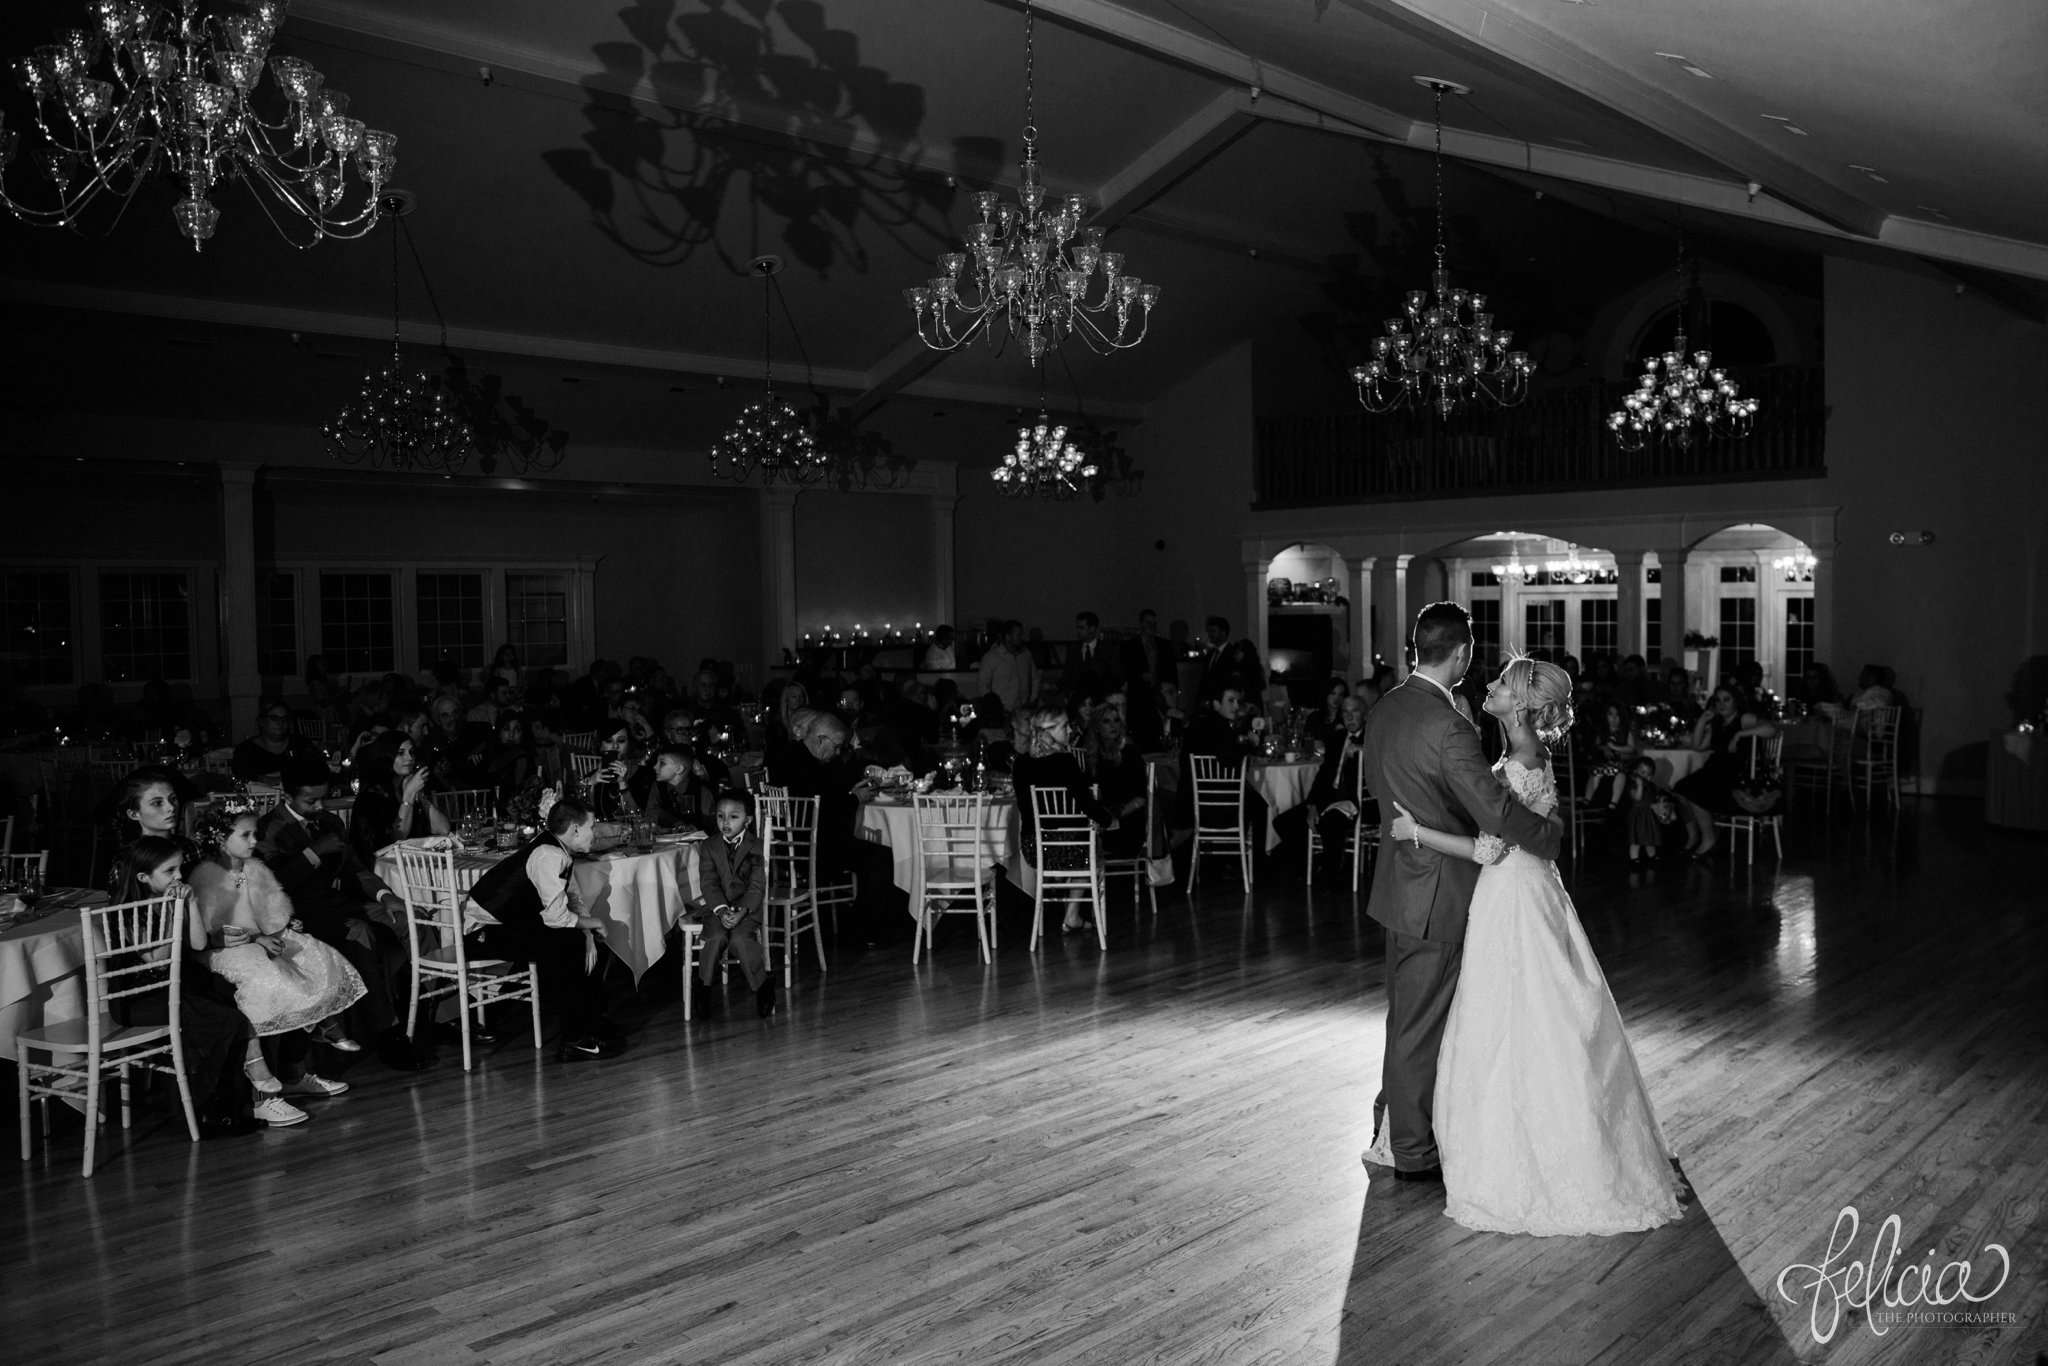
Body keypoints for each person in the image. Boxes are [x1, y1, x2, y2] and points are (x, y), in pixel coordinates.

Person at [1384, 656, 1687, 1234]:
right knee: (1535, 1010)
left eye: (1500, 684)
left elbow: (1491, 845)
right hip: (1528, 890)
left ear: (1521, 704)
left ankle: (1528, 1151)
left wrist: (1416, 831)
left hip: (1512, 894)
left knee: (1511, 1013)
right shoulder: (1525, 758)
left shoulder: (1515, 765)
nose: (1490, 687)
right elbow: (1528, 835)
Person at [1357, 602, 1563, 1184]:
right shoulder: (1448, 725)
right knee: (1421, 1029)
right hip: (1440, 892)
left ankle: (1390, 1128)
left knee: (1405, 1019)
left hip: (1397, 885)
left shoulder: (1386, 709)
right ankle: (1415, 1153)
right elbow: (1494, 810)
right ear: (1464, 654)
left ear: (1416, 647)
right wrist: (1546, 835)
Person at [108, 836, 287, 1134]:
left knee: (233, 995)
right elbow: (159, 960)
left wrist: (188, 904)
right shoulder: (131, 911)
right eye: (169, 871)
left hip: (172, 987)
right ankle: (211, 1108)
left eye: (178, 868)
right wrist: (169, 911)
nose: (179, 876)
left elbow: (198, 942)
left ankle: (246, 1096)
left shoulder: (175, 897)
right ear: (143, 877)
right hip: (138, 998)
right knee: (221, 1018)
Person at [255, 761, 427, 1071]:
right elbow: (273, 887)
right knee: (359, 932)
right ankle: (387, 1034)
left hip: (337, 903)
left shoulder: (330, 822)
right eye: (311, 800)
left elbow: (354, 868)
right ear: (287, 795)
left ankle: (428, 1014)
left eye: (323, 797)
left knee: (414, 918)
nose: (320, 806)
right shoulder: (268, 830)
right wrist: (312, 853)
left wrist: (386, 896)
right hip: (299, 914)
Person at [190, 804, 364, 1107]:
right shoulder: (207, 875)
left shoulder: (255, 868)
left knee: (313, 952)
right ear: (221, 839)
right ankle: (263, 1076)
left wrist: (283, 924)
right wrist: (256, 938)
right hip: (224, 949)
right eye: (245, 835)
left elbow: (269, 907)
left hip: (258, 939)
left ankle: (302, 1057)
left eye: (254, 834)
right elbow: (211, 932)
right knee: (272, 974)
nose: (254, 841)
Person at [462, 795, 627, 1061]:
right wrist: (589, 924)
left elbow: (572, 898)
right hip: (483, 932)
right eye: (591, 826)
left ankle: (592, 1020)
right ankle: (574, 1040)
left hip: (516, 924)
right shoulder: (547, 855)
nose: (594, 833)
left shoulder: (560, 850)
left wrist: (588, 929)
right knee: (567, 945)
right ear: (574, 829)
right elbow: (556, 918)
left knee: (592, 939)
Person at [767, 713, 903, 947]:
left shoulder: (794, 758)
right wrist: (854, 800)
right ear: (821, 740)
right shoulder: (800, 765)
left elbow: (823, 798)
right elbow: (820, 811)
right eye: (837, 746)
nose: (838, 752)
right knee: (881, 856)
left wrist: (851, 792)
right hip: (811, 850)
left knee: (871, 850)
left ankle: (860, 922)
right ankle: (868, 929)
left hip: (792, 846)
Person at [1011, 705, 1116, 935]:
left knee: (1082, 841)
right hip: (1069, 848)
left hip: (1034, 847)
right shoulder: (1065, 761)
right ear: (1048, 732)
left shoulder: (1020, 764)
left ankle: (1066, 900)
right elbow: (1087, 803)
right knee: (1091, 848)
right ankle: (1072, 915)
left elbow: (1025, 809)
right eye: (1064, 726)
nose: (1070, 730)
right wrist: (1108, 820)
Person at [687, 791, 775, 1019]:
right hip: (718, 910)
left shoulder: (756, 846)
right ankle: (702, 988)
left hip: (747, 910)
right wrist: (722, 909)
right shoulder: (708, 846)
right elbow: (708, 883)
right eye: (720, 816)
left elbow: (756, 886)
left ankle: (762, 987)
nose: (725, 823)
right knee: (715, 939)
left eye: (733, 817)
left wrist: (742, 910)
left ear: (747, 820)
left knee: (741, 941)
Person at [1673, 684, 1776, 860]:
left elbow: (1770, 729)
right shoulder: (1718, 723)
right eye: (1718, 700)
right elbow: (1697, 746)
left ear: (1736, 701)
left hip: (1736, 775)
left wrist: (1741, 734)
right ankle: (1695, 836)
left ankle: (1709, 838)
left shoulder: (1744, 719)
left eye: (1726, 699)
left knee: (1692, 790)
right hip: (1715, 770)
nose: (1721, 704)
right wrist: (1702, 720)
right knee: (1680, 789)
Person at [348, 731, 451, 865]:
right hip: (380, 869)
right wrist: (409, 795)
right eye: (401, 753)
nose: (409, 758)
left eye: (411, 752)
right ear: (385, 756)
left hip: (410, 862)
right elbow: (396, 839)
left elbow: (443, 828)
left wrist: (419, 794)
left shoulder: (405, 786)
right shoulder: (372, 793)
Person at [1308, 694, 1374, 883]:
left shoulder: (1372, 736)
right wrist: (1312, 805)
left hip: (1358, 801)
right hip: (1331, 797)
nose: (1349, 717)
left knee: (1330, 822)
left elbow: (1384, 753)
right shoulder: (1337, 738)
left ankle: (1331, 876)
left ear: (1364, 715)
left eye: (1355, 711)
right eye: (1345, 712)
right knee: (1285, 821)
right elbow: (1323, 775)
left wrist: (1363, 749)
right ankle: (1306, 869)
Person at [1078, 703, 1148, 859]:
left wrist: (1111, 817)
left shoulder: (1130, 754)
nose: (1113, 725)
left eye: (1116, 720)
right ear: (1096, 727)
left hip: (1126, 820)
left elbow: (1140, 798)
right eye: (1106, 721)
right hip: (1101, 818)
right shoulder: (1092, 755)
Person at [231, 700, 326, 785]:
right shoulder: (246, 749)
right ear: (261, 721)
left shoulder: (300, 743)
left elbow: (318, 768)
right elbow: (242, 777)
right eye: (274, 718)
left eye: (285, 718)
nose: (280, 722)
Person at [625, 744, 715, 833]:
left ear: (679, 769)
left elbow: (712, 823)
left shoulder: (701, 789)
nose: (655, 767)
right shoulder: (659, 786)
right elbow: (651, 812)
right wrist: (673, 822)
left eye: (662, 763)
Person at [976, 620, 1039, 716]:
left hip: (1023, 710)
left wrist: (1032, 699)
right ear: (1007, 637)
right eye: (1018, 635)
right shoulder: (992, 657)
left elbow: (1034, 678)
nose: (1022, 638)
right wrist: (995, 707)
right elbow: (983, 685)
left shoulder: (1026, 655)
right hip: (1003, 710)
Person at [1060, 611, 1123, 702]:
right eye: (1077, 628)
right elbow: (1067, 677)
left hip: (1103, 700)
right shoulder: (1073, 652)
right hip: (1080, 702)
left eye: (1081, 628)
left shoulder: (1109, 650)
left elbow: (1117, 677)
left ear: (1092, 629)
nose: (1078, 631)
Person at [1196, 616, 1265, 698]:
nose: (1210, 635)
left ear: (1223, 632)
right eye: (1209, 631)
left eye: (1214, 631)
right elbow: (1205, 680)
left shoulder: (1233, 654)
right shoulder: (1210, 654)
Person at [1119, 608, 1169, 692]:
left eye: (1154, 623)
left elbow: (1170, 670)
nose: (1152, 626)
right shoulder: (1129, 646)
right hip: (1138, 691)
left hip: (1160, 692)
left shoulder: (1164, 645)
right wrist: (1141, 676)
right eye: (1148, 623)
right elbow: (1125, 670)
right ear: (1141, 624)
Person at [1308, 678, 1351, 749]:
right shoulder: (1314, 717)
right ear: (1326, 694)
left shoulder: (1348, 717)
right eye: (1332, 693)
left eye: (1341, 695)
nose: (1336, 698)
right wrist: (1313, 743)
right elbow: (1304, 740)